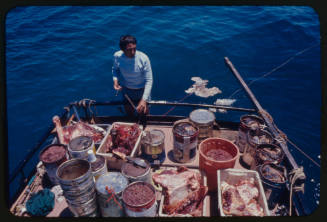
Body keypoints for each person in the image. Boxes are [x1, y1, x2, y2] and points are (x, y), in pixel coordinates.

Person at [112, 35, 153, 116]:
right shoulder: (117, 56)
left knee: (144, 114)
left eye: (134, 49)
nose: (133, 52)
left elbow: (149, 80)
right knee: (129, 114)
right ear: (122, 49)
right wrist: (115, 81)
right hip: (126, 90)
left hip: (142, 90)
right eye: (129, 50)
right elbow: (115, 69)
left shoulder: (144, 58)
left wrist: (144, 99)